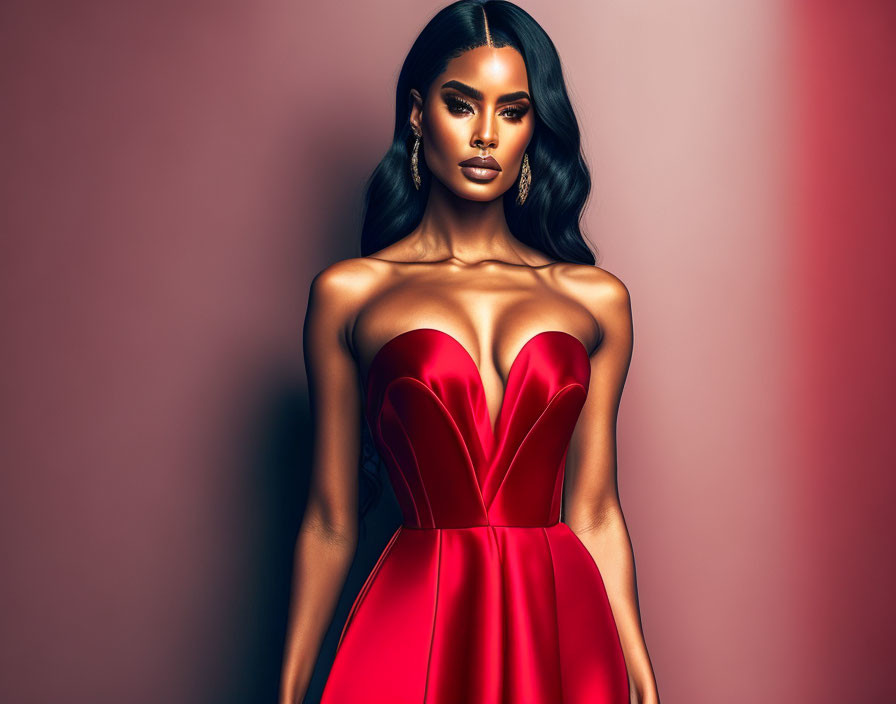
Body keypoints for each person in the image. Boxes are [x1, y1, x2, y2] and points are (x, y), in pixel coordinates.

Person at [278, 1, 659, 702]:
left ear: (532, 129)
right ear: (419, 114)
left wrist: (639, 670)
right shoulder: (350, 295)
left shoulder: (595, 300)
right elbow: (330, 518)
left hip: (557, 625)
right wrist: (292, 686)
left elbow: (597, 510)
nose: (486, 135)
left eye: (512, 112)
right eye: (463, 105)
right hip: (418, 616)